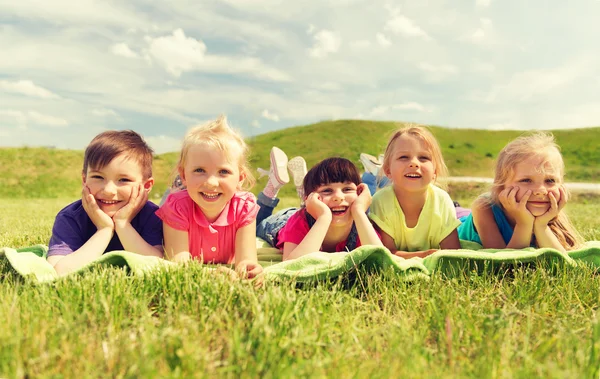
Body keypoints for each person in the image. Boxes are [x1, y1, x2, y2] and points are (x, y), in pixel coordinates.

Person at [156, 115, 262, 278]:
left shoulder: (244, 207)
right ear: (183, 175)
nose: (211, 182)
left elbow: (246, 260)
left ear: (240, 178)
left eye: (224, 172)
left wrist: (250, 271)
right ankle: (176, 187)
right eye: (199, 170)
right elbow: (178, 263)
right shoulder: (177, 207)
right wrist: (211, 274)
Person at [47, 130, 163, 275]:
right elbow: (59, 272)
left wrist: (123, 224)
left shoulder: (152, 216)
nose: (108, 190)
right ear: (84, 180)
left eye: (124, 180)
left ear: (146, 186)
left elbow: (157, 268)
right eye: (98, 177)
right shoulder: (70, 217)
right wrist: (104, 230)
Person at [457, 132, 583, 252]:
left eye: (550, 180)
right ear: (501, 187)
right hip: (456, 218)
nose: (541, 191)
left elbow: (561, 261)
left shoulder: (551, 212)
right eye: (526, 180)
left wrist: (541, 225)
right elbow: (504, 265)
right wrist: (524, 224)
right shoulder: (484, 207)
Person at [256, 151, 383, 261]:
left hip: (314, 209)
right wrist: (323, 217)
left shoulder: (360, 223)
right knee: (255, 223)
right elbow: (292, 267)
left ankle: (305, 195)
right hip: (282, 222)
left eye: (347, 189)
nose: (338, 197)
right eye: (327, 190)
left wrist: (360, 212)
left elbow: (381, 259)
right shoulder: (299, 221)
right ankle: (271, 187)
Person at [368, 125, 461, 259]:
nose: (414, 163)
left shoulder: (442, 200)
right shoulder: (381, 201)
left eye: (423, 158)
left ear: (435, 171)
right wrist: (425, 255)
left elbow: (453, 253)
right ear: (388, 170)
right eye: (404, 157)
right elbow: (385, 254)